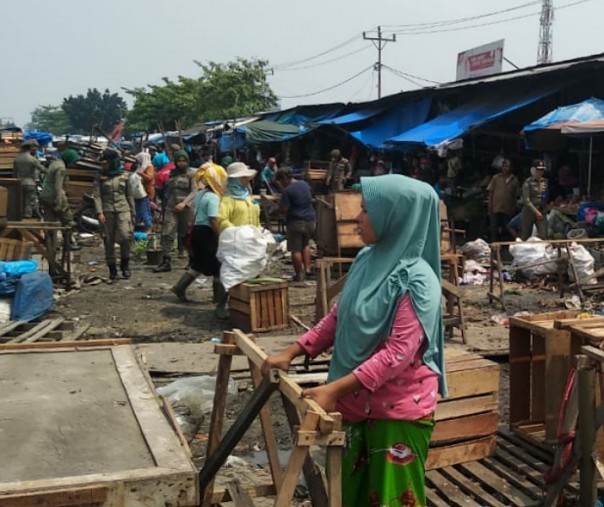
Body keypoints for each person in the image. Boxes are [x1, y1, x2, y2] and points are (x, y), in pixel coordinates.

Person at [262, 174, 447, 506]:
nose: (357, 218)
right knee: (354, 495)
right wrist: (294, 350)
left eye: (366, 211)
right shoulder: (367, 260)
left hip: (399, 412)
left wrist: (333, 389)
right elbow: (339, 316)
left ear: (395, 216)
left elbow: (397, 354)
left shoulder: (419, 281)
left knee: (393, 498)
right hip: (357, 403)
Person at [171, 163, 228, 316]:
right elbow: (213, 219)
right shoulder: (213, 197)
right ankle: (219, 298)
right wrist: (220, 236)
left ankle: (180, 287)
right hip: (207, 233)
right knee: (217, 265)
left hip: (197, 231)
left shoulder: (200, 194)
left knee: (199, 264)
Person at [93, 150, 135, 280]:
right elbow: (97, 195)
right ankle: (112, 268)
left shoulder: (125, 175)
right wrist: (99, 212)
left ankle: (125, 264)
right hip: (107, 211)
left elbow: (129, 195)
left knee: (125, 236)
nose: (103, 166)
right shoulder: (99, 176)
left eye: (106, 163)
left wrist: (133, 213)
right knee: (108, 239)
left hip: (123, 209)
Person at [154, 150, 195, 272]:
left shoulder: (191, 174)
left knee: (187, 235)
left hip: (186, 209)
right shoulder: (171, 174)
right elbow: (164, 192)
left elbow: (194, 191)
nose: (181, 163)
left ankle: (192, 261)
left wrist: (184, 203)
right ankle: (166, 261)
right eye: (179, 161)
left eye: (184, 161)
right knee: (167, 233)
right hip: (171, 207)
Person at [275, 168, 316, 282]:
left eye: (281, 182)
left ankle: (299, 275)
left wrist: (275, 209)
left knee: (295, 249)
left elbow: (284, 208)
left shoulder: (287, 191)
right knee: (305, 244)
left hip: (296, 222)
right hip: (310, 220)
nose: (281, 185)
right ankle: (307, 270)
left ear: (285, 178)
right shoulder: (304, 184)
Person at [40, 148, 79, 259]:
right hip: (54, 197)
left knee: (50, 224)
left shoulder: (55, 163)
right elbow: (58, 186)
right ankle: (68, 244)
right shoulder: (61, 168)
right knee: (68, 221)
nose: (73, 163)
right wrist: (59, 202)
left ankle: (50, 247)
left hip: (45, 196)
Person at [217, 162, 260, 232]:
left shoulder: (248, 196)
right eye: (244, 177)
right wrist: (237, 231)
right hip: (236, 241)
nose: (248, 179)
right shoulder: (228, 199)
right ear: (235, 179)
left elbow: (256, 220)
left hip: (252, 239)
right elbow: (221, 220)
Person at [487, 158, 520, 242]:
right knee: (494, 227)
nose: (505, 168)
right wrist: (490, 205)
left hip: (508, 208)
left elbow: (515, 196)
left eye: (507, 166)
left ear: (511, 168)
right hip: (496, 206)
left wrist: (513, 208)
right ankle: (495, 244)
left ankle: (505, 244)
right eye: (504, 166)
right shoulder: (496, 178)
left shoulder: (514, 180)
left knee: (507, 227)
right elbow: (490, 192)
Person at [13, 139, 46, 218]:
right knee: (29, 200)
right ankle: (28, 215)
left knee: (20, 200)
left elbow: (14, 173)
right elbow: (42, 169)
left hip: (19, 182)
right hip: (30, 182)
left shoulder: (17, 159)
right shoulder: (32, 159)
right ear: (30, 148)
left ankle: (19, 215)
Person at [521, 160, 549, 240]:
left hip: (541, 210)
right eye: (538, 170)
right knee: (526, 235)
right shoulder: (528, 182)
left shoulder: (545, 182)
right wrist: (536, 211)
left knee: (543, 235)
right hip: (529, 211)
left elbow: (545, 195)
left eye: (542, 170)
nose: (540, 172)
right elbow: (526, 200)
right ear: (533, 170)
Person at [134, 151, 155, 233]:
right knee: (139, 209)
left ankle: (149, 226)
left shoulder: (149, 167)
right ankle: (135, 225)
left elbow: (149, 178)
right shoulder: (142, 166)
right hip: (140, 191)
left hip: (146, 192)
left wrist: (141, 174)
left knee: (144, 210)